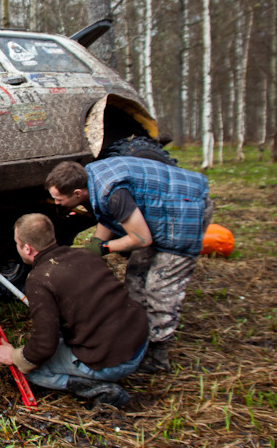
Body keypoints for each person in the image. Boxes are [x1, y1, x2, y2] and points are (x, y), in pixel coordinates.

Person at [44, 157, 211, 373]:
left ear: (77, 193)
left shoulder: (112, 193)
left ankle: (157, 357)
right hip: (158, 215)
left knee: (159, 289)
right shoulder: (92, 178)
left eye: (59, 200)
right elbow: (106, 216)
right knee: (136, 277)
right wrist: (95, 246)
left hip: (185, 211)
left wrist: (105, 249)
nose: (56, 204)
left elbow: (142, 239)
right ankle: (139, 338)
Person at [0, 213, 149, 408]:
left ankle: (98, 388)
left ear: (27, 248)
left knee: (31, 370)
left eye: (17, 243)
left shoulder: (39, 279)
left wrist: (15, 356)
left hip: (113, 360)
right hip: (140, 340)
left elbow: (43, 347)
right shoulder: (85, 254)